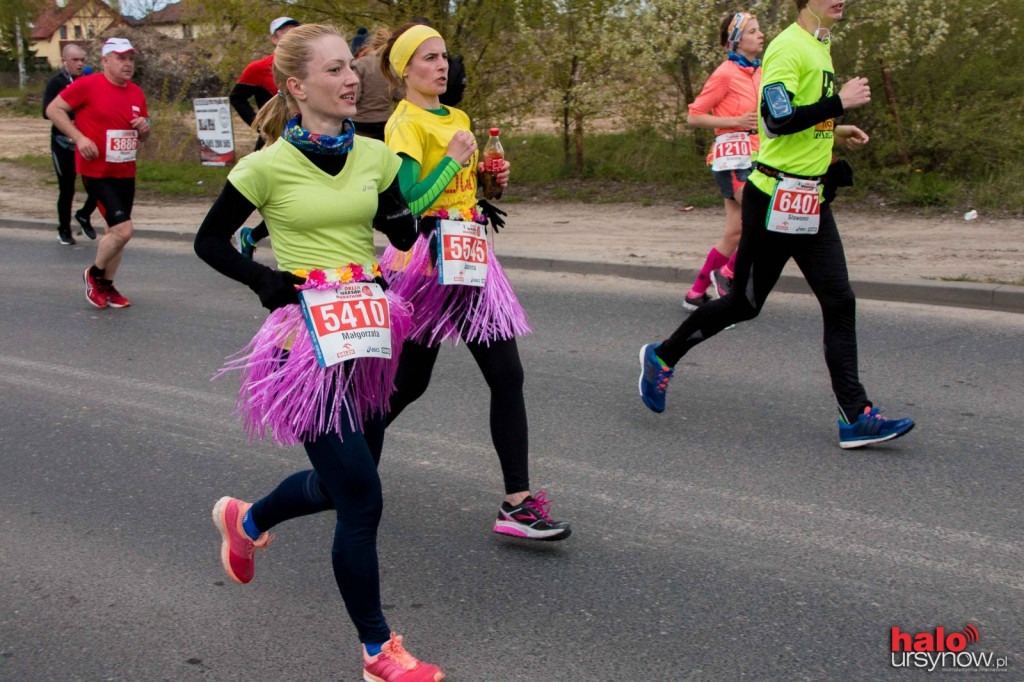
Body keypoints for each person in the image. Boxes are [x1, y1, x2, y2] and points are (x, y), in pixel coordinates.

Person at [194, 24, 444, 682]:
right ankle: (376, 651)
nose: (350, 78)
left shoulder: (374, 155)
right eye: (334, 70)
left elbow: (398, 221)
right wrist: (264, 281)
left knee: (342, 488)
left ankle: (246, 519)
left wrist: (401, 223)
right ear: (299, 86)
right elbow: (210, 242)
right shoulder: (265, 167)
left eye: (350, 69)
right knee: (362, 497)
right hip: (303, 350)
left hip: (365, 340)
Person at [638, 0, 916, 450]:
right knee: (744, 305)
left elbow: (794, 116)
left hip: (811, 198)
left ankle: (855, 415)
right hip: (773, 199)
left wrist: (832, 128)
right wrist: (839, 103)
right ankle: (663, 355)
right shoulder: (789, 46)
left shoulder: (819, 43)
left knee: (840, 301)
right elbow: (777, 118)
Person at [368, 23, 571, 540]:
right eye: (429, 58)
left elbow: (460, 187)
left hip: (472, 255)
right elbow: (407, 204)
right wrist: (455, 160)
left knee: (507, 374)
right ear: (405, 69)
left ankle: (517, 503)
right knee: (410, 382)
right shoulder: (404, 124)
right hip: (426, 263)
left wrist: (485, 180)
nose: (441, 66)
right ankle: (346, 453)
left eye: (443, 57)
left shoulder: (455, 116)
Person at [46, 37, 149, 309]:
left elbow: (143, 131)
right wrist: (78, 138)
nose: (128, 64)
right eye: (121, 58)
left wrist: (145, 127)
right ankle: (94, 274)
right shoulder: (87, 85)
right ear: (105, 61)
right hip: (96, 170)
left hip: (125, 170)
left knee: (114, 232)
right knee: (124, 230)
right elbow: (53, 109)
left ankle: (108, 285)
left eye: (131, 59)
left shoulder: (136, 92)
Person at [682, 12, 763, 310]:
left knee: (735, 232)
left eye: (760, 30)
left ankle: (695, 293)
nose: (761, 35)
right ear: (737, 41)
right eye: (753, 31)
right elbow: (694, 115)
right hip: (732, 159)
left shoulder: (760, 71)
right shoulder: (725, 73)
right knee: (765, 216)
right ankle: (726, 273)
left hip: (757, 155)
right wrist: (736, 120)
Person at [228, 16, 300, 259]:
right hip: (273, 138)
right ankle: (227, 232)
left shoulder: (307, 64)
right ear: (273, 38)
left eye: (294, 30)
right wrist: (257, 124)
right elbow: (237, 97)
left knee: (293, 198)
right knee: (257, 192)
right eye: (284, 31)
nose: (290, 34)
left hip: (303, 139)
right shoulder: (259, 68)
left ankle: (251, 237)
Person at [42, 43, 97, 245]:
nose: (80, 64)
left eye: (82, 60)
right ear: (64, 61)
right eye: (75, 60)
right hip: (63, 143)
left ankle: (83, 215)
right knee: (67, 188)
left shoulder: (87, 82)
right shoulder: (56, 83)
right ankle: (64, 229)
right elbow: (47, 111)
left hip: (86, 142)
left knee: (97, 186)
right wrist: (73, 114)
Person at [352, 28, 402, 142]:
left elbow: (355, 96)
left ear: (372, 44)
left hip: (360, 123)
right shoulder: (391, 67)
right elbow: (399, 95)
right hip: (385, 123)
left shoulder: (359, 64)